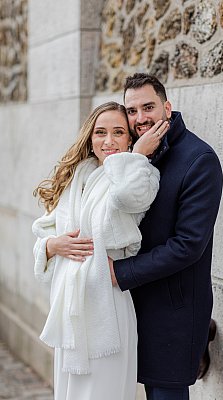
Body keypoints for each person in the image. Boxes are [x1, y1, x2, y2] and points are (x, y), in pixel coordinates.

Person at [32, 101, 169, 400]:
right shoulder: (78, 177)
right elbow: (44, 229)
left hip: (107, 308)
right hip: (72, 311)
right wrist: (51, 246)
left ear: (130, 139)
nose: (108, 140)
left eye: (119, 132)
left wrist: (135, 157)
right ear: (90, 138)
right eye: (100, 132)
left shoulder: (141, 175)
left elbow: (120, 207)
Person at [108, 73, 223, 400]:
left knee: (164, 394)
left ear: (167, 107)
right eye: (132, 111)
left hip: (174, 309)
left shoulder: (199, 160)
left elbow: (189, 245)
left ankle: (199, 339)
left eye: (148, 107)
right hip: (133, 303)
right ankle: (201, 342)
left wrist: (120, 272)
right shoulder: (131, 151)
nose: (140, 118)